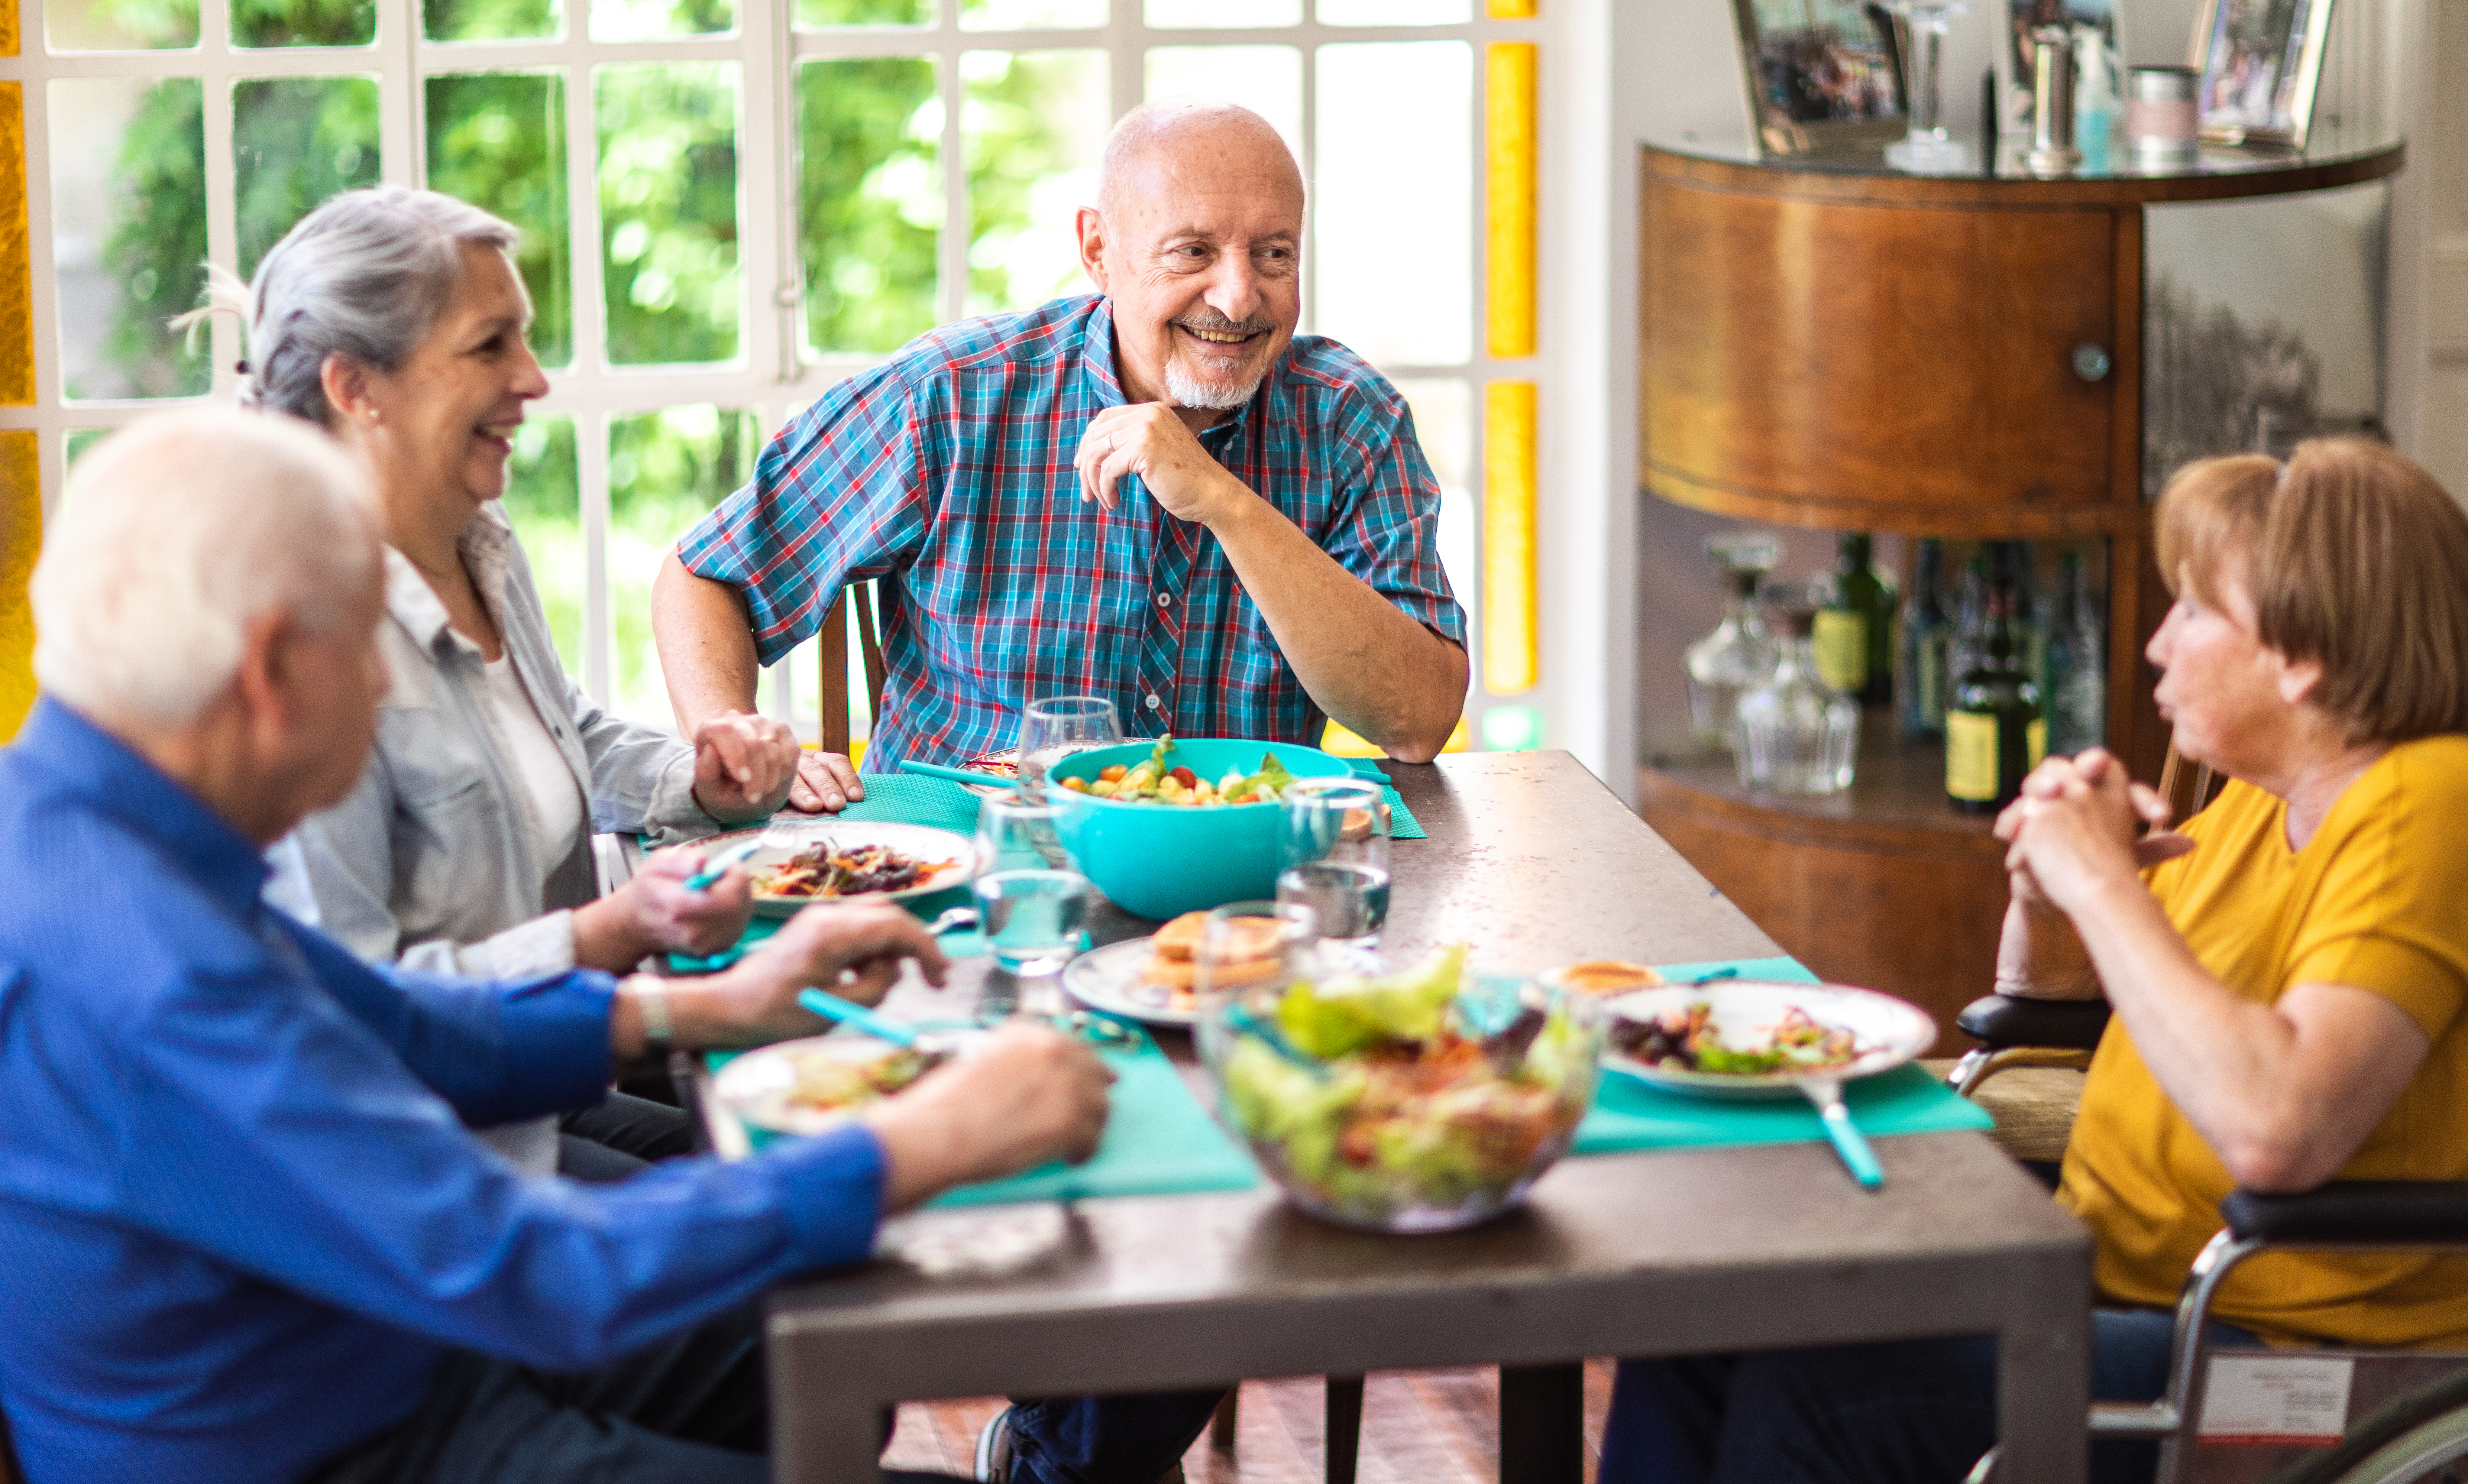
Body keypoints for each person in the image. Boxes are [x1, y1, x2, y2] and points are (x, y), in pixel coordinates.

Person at [0, 408, 1113, 1484]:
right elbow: (534, 1269)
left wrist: (705, 1010)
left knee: (811, 1330)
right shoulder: (150, 978)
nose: (391, 683)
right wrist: (922, 1142)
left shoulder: (78, 824)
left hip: (377, 1347)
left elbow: (389, 1022)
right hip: (350, 1434)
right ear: (269, 670)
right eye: (365, 643)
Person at [1598, 438, 2468, 1484]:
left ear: (2304, 655)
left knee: (1820, 1388)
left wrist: (2105, 887)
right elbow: (2058, 1002)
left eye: (2198, 612)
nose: (2159, 646)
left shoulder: (2436, 802)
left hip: (2292, 1360)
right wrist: (2049, 893)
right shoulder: (2267, 795)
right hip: (2109, 1274)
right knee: (1713, 1308)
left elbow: (2278, 1128)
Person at [194, 186, 837, 1177]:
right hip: (417, 1163)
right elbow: (352, 1012)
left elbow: (559, 733)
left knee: (813, 1137)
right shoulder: (302, 646)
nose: (534, 379)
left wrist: (698, 781)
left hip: (536, 1094)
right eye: (490, 346)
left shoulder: (476, 547)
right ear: (358, 386)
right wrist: (612, 931)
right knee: (791, 1236)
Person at [654, 98, 1471, 811]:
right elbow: (706, 574)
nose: (1238, 296)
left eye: (1274, 254)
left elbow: (1418, 717)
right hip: (974, 871)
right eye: (1191, 252)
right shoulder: (953, 394)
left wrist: (1225, 501)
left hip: (1237, 889)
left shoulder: (1348, 418)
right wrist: (734, 737)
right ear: (1098, 251)